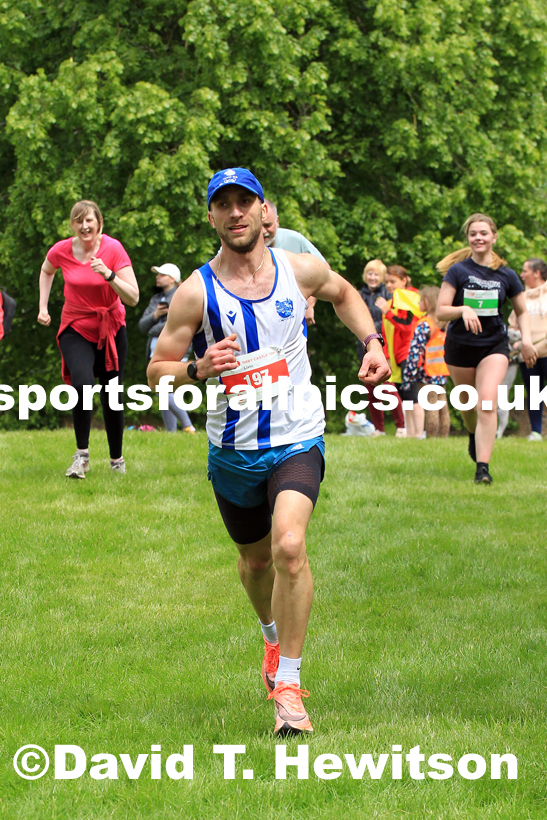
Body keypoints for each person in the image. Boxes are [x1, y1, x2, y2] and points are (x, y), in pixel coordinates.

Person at [147, 167, 390, 735]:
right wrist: (196, 368)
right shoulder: (194, 292)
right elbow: (158, 372)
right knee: (256, 562)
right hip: (232, 449)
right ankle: (271, 639)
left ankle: (290, 688)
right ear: (211, 217)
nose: (235, 213)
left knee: (289, 545)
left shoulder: (298, 268)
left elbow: (345, 293)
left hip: (297, 435)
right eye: (222, 205)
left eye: (244, 203)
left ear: (262, 211)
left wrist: (372, 341)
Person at [37, 200, 139, 477]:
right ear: (72, 225)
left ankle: (116, 459)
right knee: (82, 385)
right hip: (76, 326)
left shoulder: (113, 249)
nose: (84, 226)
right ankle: (81, 457)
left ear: (99, 223)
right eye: (78, 221)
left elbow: (133, 297)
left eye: (89, 220)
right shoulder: (61, 250)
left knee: (111, 394)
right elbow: (47, 271)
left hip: (111, 327)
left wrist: (109, 274)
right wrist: (43, 307)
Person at [436, 213, 537, 484]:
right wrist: (463, 309)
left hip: (494, 346)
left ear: (493, 236)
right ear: (468, 239)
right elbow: (441, 311)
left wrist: (526, 340)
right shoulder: (458, 271)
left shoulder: (507, 275)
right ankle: (473, 434)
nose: (478, 238)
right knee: (468, 405)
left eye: (483, 233)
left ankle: (483, 468)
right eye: (473, 234)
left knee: (487, 402)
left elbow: (522, 312)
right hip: (460, 348)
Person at [139, 263, 195, 433]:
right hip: (154, 352)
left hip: (177, 352)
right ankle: (172, 433)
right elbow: (142, 326)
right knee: (165, 391)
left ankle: (187, 426)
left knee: (161, 388)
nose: (157, 277)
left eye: (161, 274)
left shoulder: (181, 296)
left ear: (172, 278)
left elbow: (178, 327)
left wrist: (155, 327)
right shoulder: (156, 300)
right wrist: (156, 315)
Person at [355, 260, 405, 436]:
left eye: (376, 274)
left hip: (383, 345)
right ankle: (379, 429)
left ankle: (401, 426)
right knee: (371, 388)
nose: (372, 277)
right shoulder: (359, 295)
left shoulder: (388, 295)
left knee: (388, 386)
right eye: (370, 273)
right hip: (363, 346)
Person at [376, 265, 424, 437]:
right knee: (405, 396)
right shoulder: (391, 303)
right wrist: (386, 356)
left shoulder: (409, 297)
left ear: (404, 281)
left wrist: (388, 313)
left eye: (393, 281)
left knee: (412, 395)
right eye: (387, 282)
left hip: (408, 353)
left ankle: (418, 434)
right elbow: (385, 334)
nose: (389, 285)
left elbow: (407, 326)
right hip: (395, 356)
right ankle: (410, 434)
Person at [262, 199, 326, 326]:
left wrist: (309, 304)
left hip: (291, 316)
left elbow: (324, 270)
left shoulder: (294, 239)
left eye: (268, 225)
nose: (263, 231)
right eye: (259, 226)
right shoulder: (243, 247)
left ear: (277, 221)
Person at [401, 286, 450, 438]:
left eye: (421, 300)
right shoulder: (445, 324)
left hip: (426, 372)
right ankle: (443, 437)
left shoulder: (424, 324)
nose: (419, 303)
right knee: (443, 406)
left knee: (431, 406)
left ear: (428, 302)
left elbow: (415, 352)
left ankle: (431, 438)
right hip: (442, 370)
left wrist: (408, 375)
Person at [508, 258, 547, 441]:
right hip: (528, 354)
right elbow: (513, 325)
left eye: (525, 271)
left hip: (546, 351)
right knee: (533, 392)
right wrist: (517, 341)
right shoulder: (521, 297)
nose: (521, 275)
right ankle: (536, 432)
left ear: (537, 273)